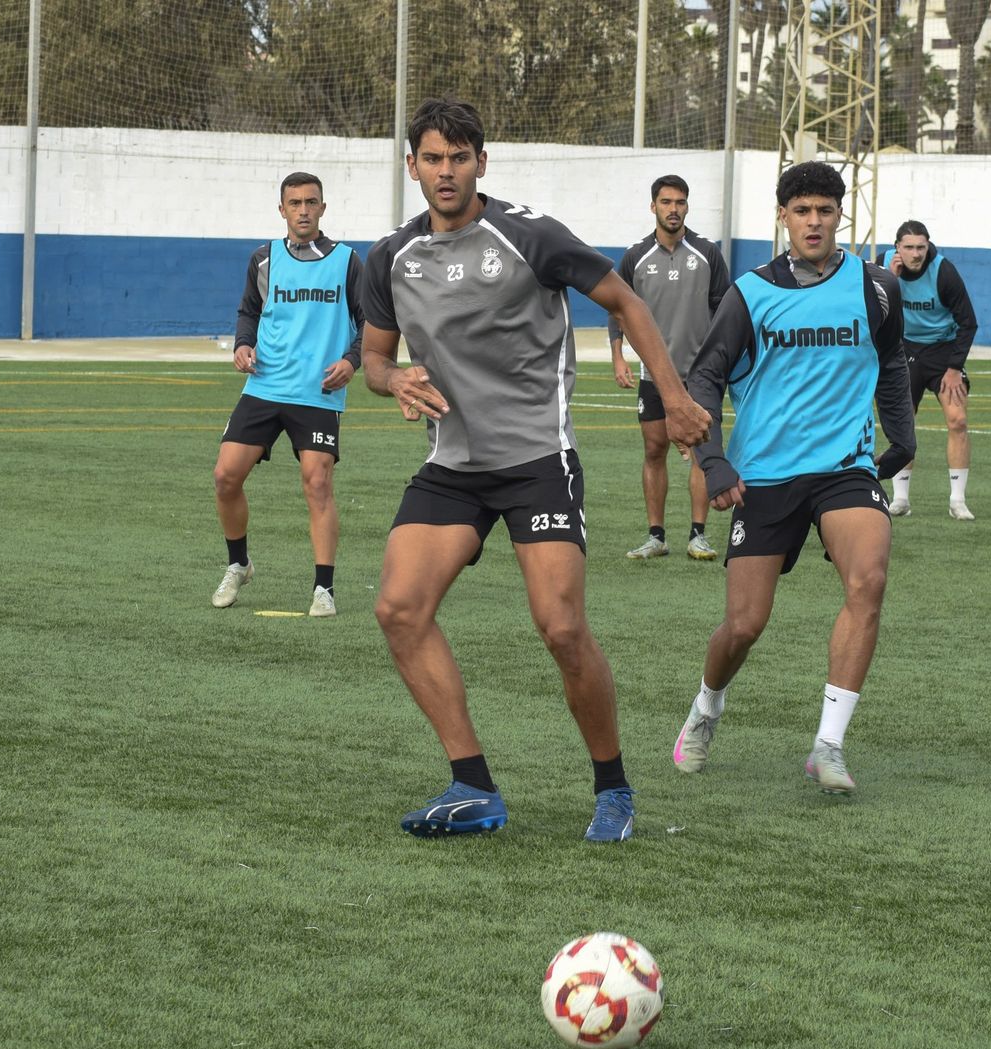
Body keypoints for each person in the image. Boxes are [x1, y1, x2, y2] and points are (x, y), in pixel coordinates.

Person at [359, 99, 710, 841]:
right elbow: (374, 358)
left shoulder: (529, 235)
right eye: (431, 158)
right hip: (452, 465)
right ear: (412, 165)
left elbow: (624, 301)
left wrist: (674, 396)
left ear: (481, 162)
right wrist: (392, 381)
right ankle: (473, 785)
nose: (445, 171)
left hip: (536, 461)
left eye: (459, 157)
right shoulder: (390, 256)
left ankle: (613, 788)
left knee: (559, 627)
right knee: (398, 609)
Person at [672, 161, 916, 795]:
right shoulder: (751, 293)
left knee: (870, 579)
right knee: (744, 626)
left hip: (844, 470)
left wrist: (903, 436)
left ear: (841, 216)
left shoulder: (876, 287)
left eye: (825, 211)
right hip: (765, 478)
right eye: (802, 210)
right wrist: (713, 459)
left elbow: (891, 362)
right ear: (783, 217)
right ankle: (706, 708)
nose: (814, 221)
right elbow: (705, 379)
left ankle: (828, 745)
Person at [211, 172, 363, 618]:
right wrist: (242, 344)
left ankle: (324, 589)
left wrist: (352, 361)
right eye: (294, 203)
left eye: (311, 202)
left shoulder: (349, 262)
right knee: (225, 477)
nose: (303, 210)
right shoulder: (263, 259)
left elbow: (372, 321)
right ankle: (239, 562)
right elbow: (249, 311)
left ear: (323, 208)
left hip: (317, 391)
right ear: (282, 210)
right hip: (265, 384)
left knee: (317, 483)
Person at [609, 175, 731, 562]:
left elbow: (726, 311)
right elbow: (618, 309)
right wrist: (618, 355)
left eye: (680, 202)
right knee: (654, 449)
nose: (673, 209)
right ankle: (656, 536)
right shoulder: (634, 257)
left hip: (701, 376)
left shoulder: (708, 253)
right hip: (652, 377)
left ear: (687, 207)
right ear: (653, 207)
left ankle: (698, 535)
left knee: (700, 450)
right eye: (666, 202)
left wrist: (723, 362)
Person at [878, 221, 979, 520]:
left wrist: (954, 368)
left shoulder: (943, 272)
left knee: (957, 420)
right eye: (909, 247)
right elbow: (868, 306)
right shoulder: (881, 266)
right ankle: (901, 500)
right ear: (897, 247)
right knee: (902, 424)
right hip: (903, 349)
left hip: (943, 350)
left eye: (921, 247)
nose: (916, 254)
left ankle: (957, 500)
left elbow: (968, 323)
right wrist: (889, 279)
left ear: (928, 246)